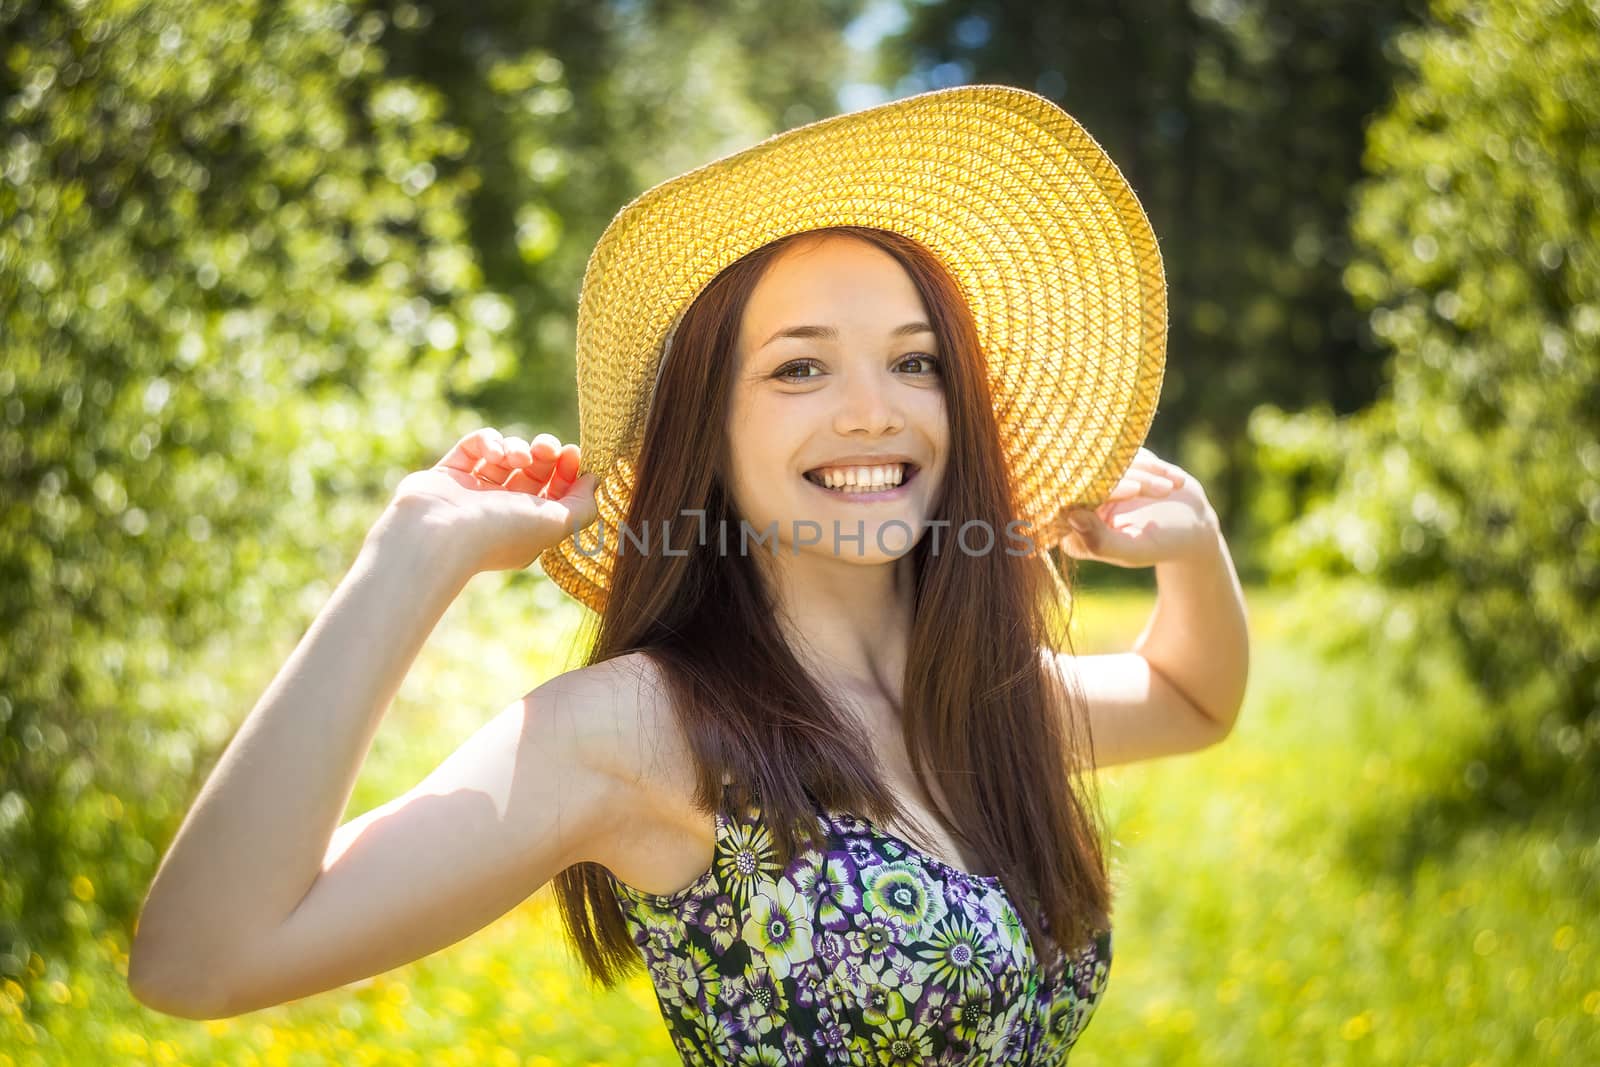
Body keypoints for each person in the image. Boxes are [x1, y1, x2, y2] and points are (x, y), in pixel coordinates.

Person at [128, 84, 1249, 1063]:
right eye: (798, 366)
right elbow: (199, 957)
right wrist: (411, 555)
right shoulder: (641, 730)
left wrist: (1192, 551)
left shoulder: (978, 694)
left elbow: (1194, 699)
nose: (874, 409)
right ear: (705, 432)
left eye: (915, 360)